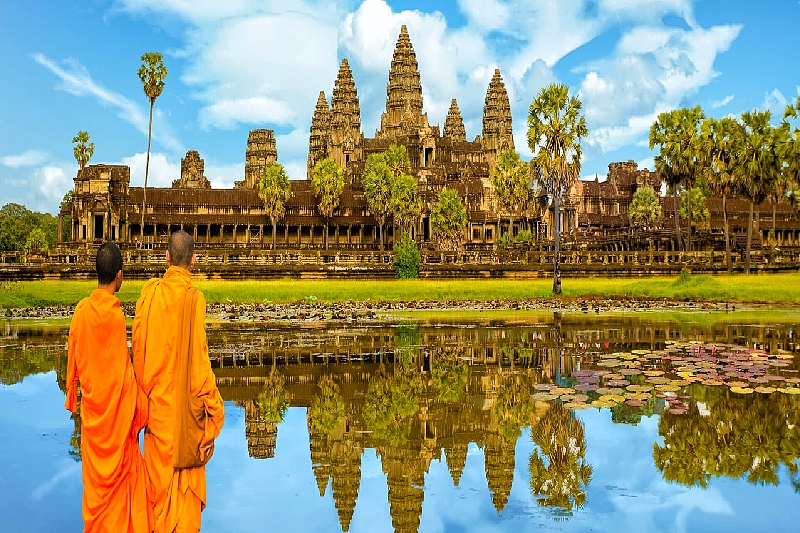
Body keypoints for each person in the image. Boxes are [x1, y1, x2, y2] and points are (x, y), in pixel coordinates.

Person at [132, 230, 224, 533]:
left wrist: (141, 404)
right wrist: (215, 416)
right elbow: (200, 367)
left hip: (157, 418)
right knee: (184, 515)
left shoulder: (150, 295)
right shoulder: (194, 299)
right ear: (194, 261)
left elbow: (139, 356)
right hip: (185, 424)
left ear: (167, 257)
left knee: (158, 507)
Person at [64, 241, 152, 532]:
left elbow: (75, 361)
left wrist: (74, 393)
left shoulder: (81, 313)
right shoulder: (115, 318)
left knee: (96, 493)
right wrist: (140, 404)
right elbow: (123, 375)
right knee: (126, 490)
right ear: (119, 275)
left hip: (93, 419)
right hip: (115, 421)